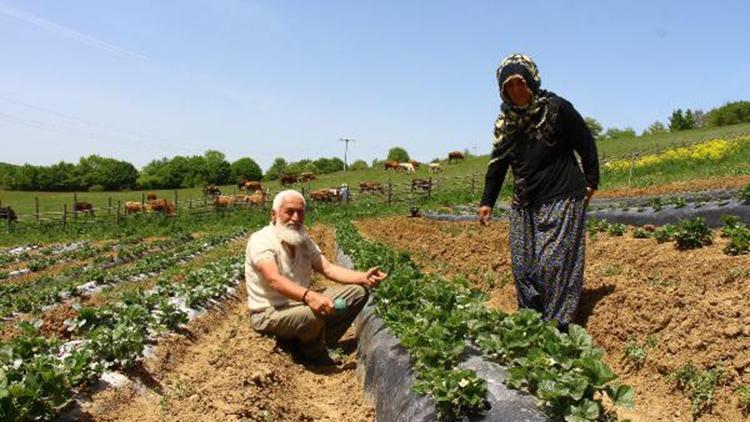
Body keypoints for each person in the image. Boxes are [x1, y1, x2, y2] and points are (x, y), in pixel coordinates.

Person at [477, 54, 599, 331]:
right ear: (502, 91)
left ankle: (557, 326)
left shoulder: (557, 109)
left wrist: (592, 180)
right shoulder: (505, 123)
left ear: (531, 81)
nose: (517, 91)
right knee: (523, 268)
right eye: (510, 86)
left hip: (562, 195)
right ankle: (532, 324)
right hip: (525, 202)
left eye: (520, 83)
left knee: (552, 263)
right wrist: (487, 201)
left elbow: (585, 141)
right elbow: (497, 165)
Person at [246, 190, 387, 364]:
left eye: (300, 212)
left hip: (299, 304)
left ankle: (316, 342)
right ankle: (313, 354)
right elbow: (274, 279)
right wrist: (309, 296)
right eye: (289, 211)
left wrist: (363, 277)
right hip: (269, 312)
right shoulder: (262, 240)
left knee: (357, 293)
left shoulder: (303, 240)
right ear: (274, 215)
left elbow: (328, 268)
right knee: (311, 315)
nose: (296, 218)